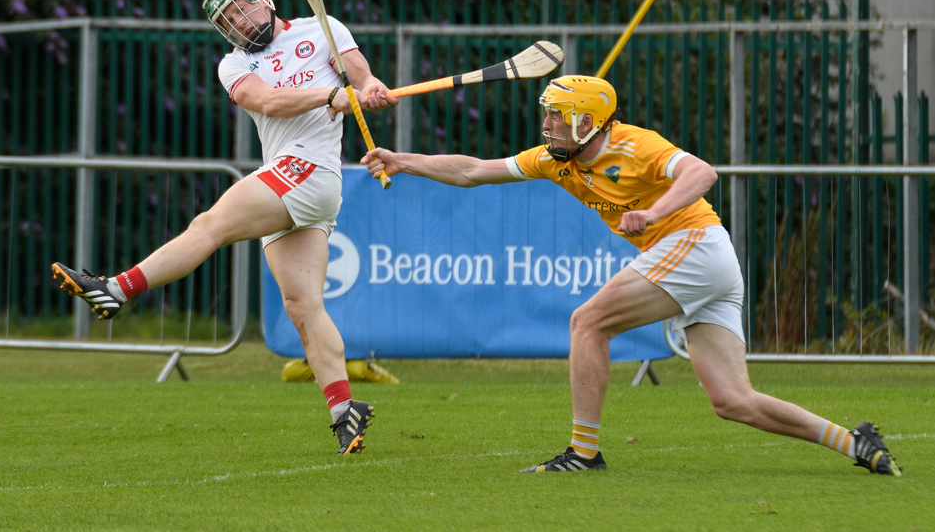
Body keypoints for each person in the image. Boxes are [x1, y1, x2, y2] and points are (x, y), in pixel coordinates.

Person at [361, 74, 903, 476]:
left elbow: (702, 172)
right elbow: (477, 170)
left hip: (693, 243)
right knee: (732, 401)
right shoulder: (557, 159)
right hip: (705, 262)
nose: (546, 123)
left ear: (586, 121)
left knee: (587, 322)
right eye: (547, 113)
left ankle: (582, 453)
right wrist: (403, 161)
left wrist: (656, 211)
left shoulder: (634, 145)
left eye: (556, 115)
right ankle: (854, 442)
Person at [52, 0, 397, 456]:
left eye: (240, 9)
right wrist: (330, 95)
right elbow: (269, 102)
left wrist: (370, 88)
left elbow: (362, 76)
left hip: (310, 167)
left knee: (208, 226)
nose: (236, 23)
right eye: (226, 20)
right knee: (303, 307)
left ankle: (114, 289)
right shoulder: (233, 66)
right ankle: (345, 410)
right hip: (294, 176)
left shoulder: (325, 29)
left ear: (265, 0)